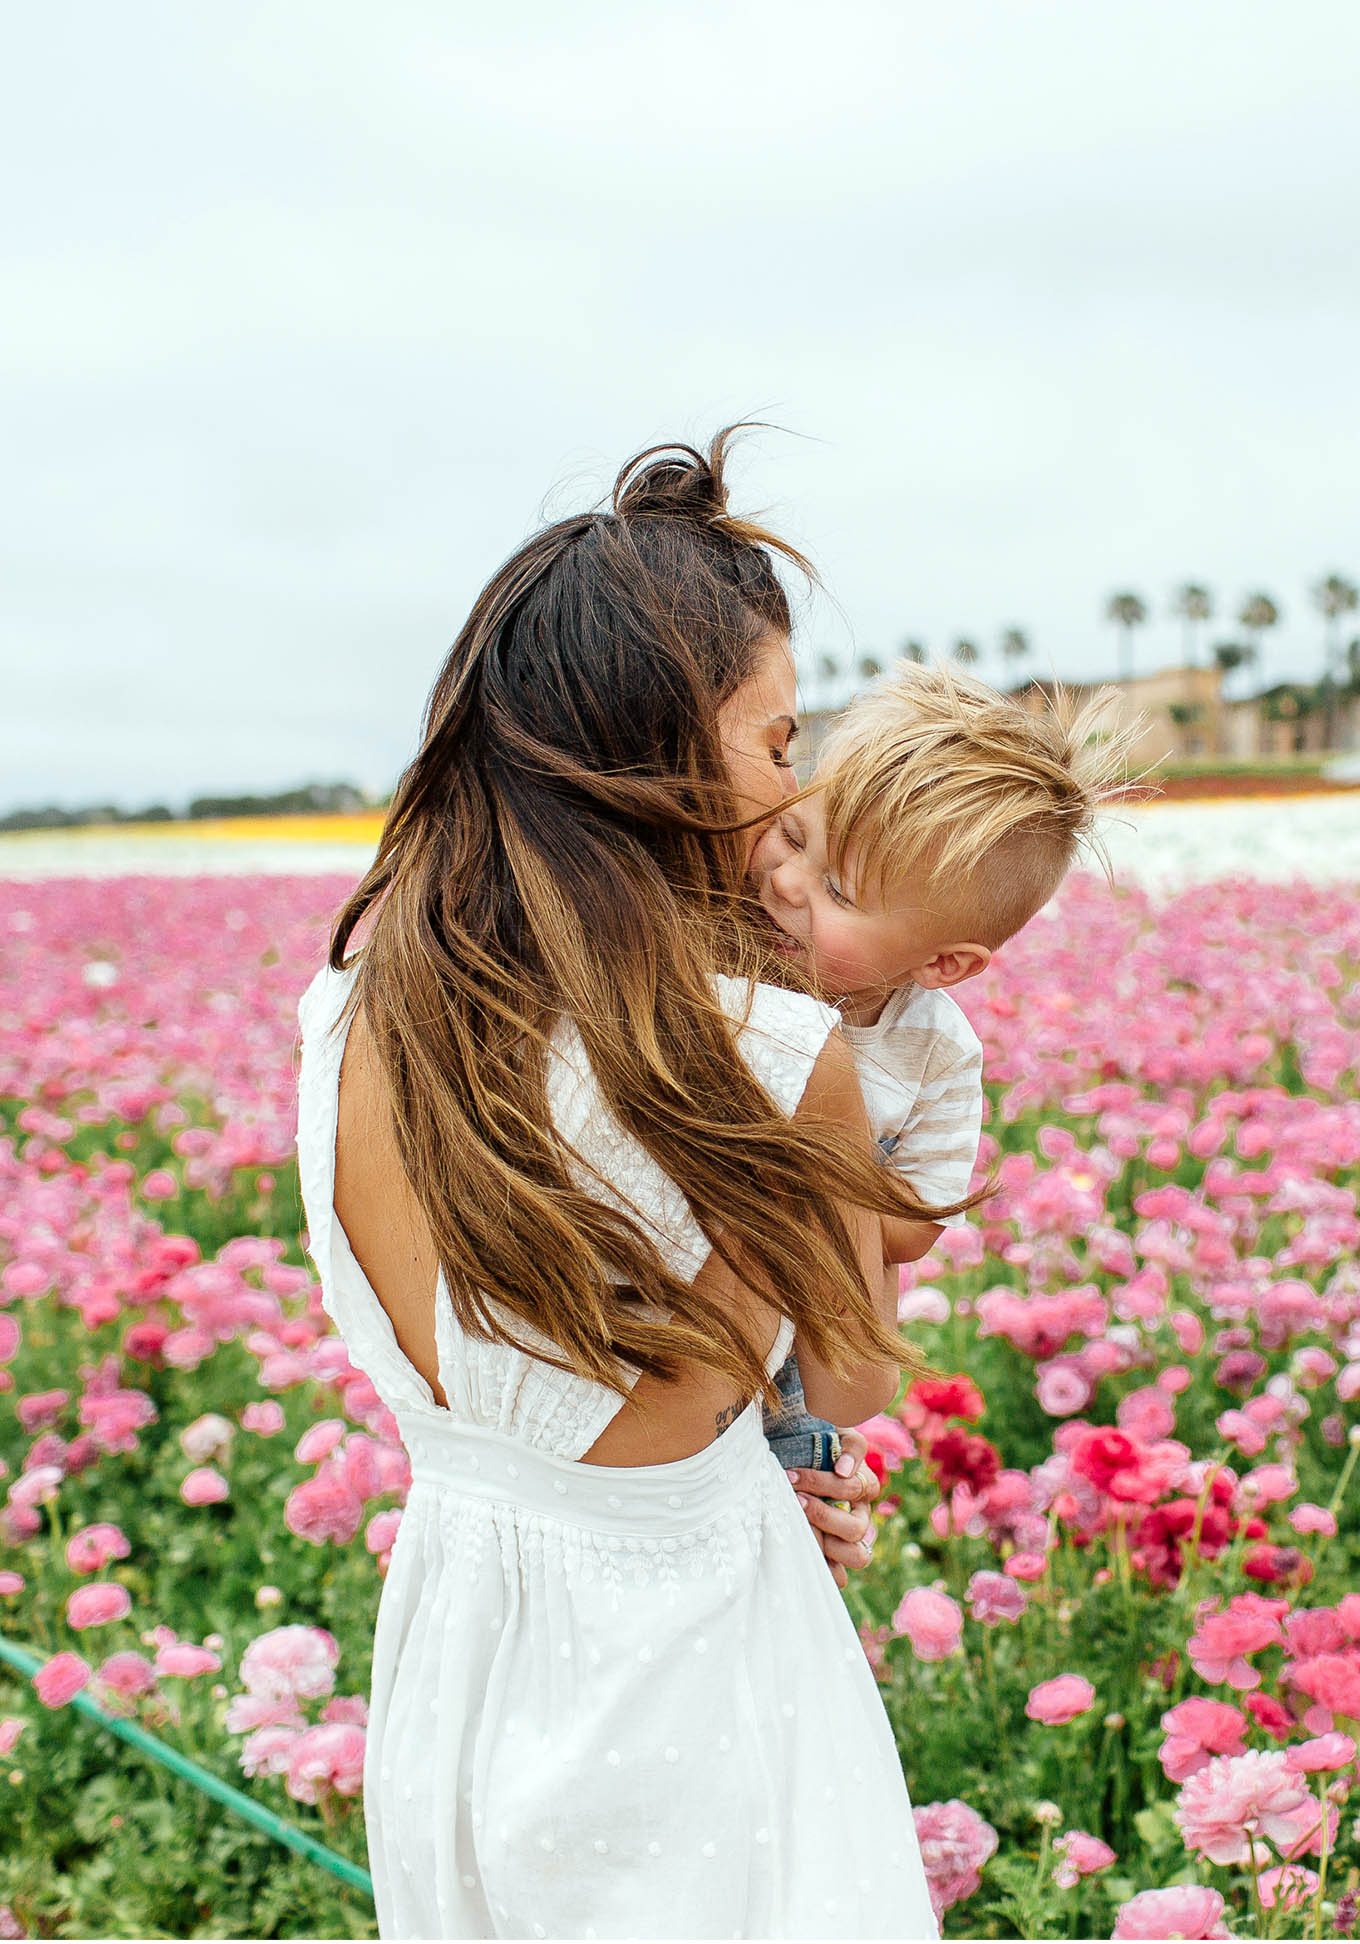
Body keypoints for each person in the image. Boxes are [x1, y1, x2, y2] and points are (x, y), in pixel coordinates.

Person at [294, 431, 943, 1939]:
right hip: (689, 1669)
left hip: (457, 1638)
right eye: (776, 743)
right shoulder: (769, 1053)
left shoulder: (345, 1014)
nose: (790, 793)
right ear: (663, 752)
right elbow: (851, 1381)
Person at [757, 663, 1132, 1470]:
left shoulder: (936, 1051)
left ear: (944, 964)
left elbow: (915, 1226)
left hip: (795, 1372)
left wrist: (822, 1159)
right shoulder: (725, 952)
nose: (785, 882)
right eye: (792, 836)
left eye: (837, 891)